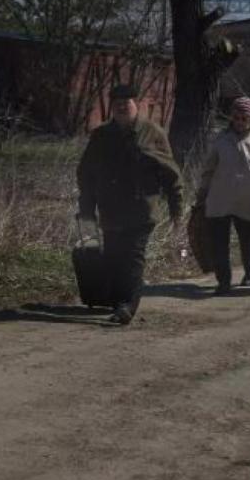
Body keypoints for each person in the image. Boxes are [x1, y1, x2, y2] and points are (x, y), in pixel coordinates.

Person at [76, 84, 182, 325]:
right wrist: (86, 208)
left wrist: (176, 208)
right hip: (110, 209)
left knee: (133, 257)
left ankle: (127, 306)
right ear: (112, 108)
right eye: (117, 104)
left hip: (141, 209)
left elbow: (171, 173)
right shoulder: (101, 136)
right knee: (114, 255)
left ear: (137, 104)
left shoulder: (152, 133)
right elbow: (86, 173)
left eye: (127, 102)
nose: (122, 107)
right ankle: (117, 300)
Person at [197, 96, 250, 295]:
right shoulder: (221, 139)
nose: (240, 122)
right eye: (237, 117)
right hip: (219, 199)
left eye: (245, 118)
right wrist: (202, 192)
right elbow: (208, 168)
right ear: (231, 117)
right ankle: (223, 281)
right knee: (219, 243)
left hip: (247, 201)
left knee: (248, 240)